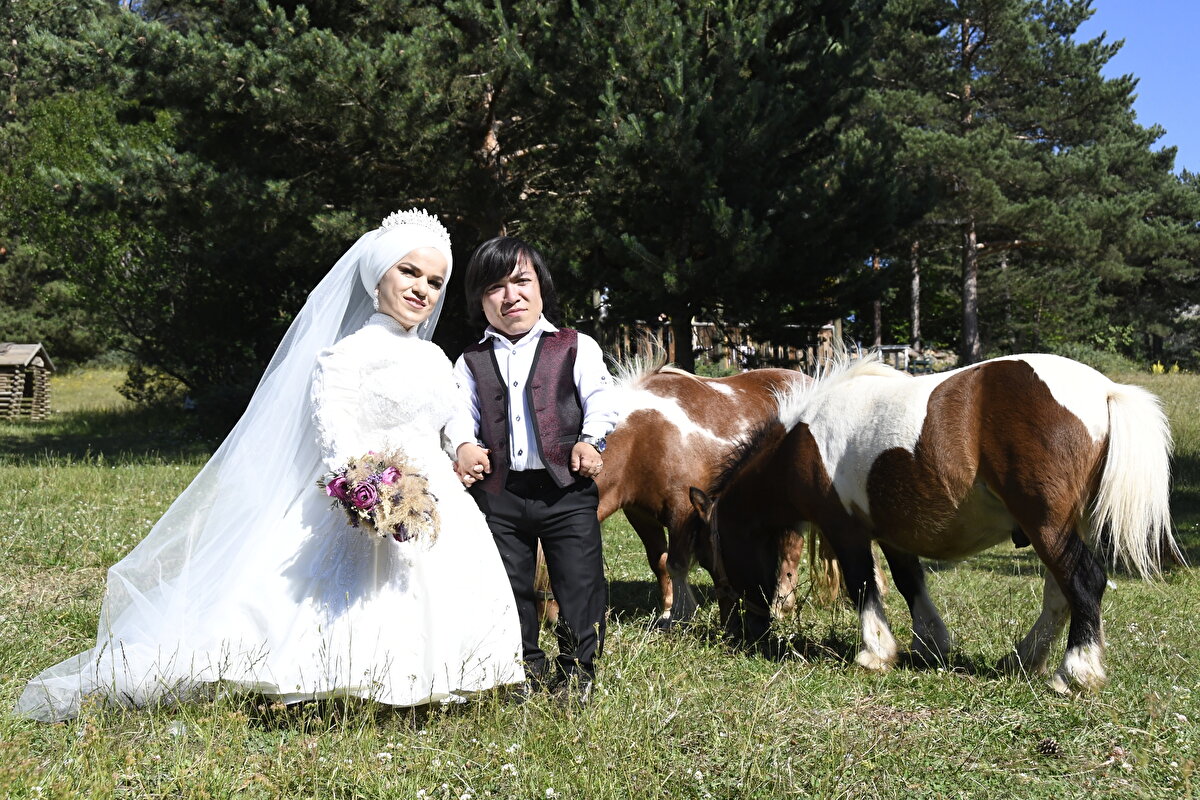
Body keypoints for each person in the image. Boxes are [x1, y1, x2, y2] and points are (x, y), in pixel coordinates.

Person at [16, 209, 523, 722]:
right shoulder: (345, 355)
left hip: (435, 499)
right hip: (370, 489)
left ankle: (437, 675)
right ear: (377, 277)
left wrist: (460, 446)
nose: (422, 289)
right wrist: (371, 487)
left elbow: (451, 416)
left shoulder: (436, 360)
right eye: (408, 272)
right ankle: (331, 679)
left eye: (435, 281)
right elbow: (335, 432)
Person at [446, 236, 617, 704]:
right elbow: (461, 414)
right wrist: (463, 444)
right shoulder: (470, 361)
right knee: (508, 583)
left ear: (541, 287)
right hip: (500, 493)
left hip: (566, 489)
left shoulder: (574, 346)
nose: (510, 296)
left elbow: (601, 400)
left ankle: (578, 669)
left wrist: (590, 439)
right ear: (480, 301)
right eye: (494, 288)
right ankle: (524, 667)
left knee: (579, 580)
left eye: (521, 281)